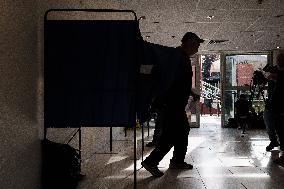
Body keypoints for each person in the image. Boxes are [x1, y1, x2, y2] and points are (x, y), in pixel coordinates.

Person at [141, 32, 204, 177]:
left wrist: (191, 92)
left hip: (174, 104)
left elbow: (179, 81)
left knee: (181, 131)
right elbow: (168, 79)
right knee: (173, 134)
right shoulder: (176, 57)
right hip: (171, 104)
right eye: (196, 44)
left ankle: (177, 161)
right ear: (188, 43)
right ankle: (152, 161)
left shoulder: (182, 58)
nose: (198, 47)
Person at [271, 53, 284, 165]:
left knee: (282, 131)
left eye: (279, 60)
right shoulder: (279, 73)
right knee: (279, 130)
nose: (277, 62)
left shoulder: (281, 74)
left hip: (281, 108)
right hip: (278, 108)